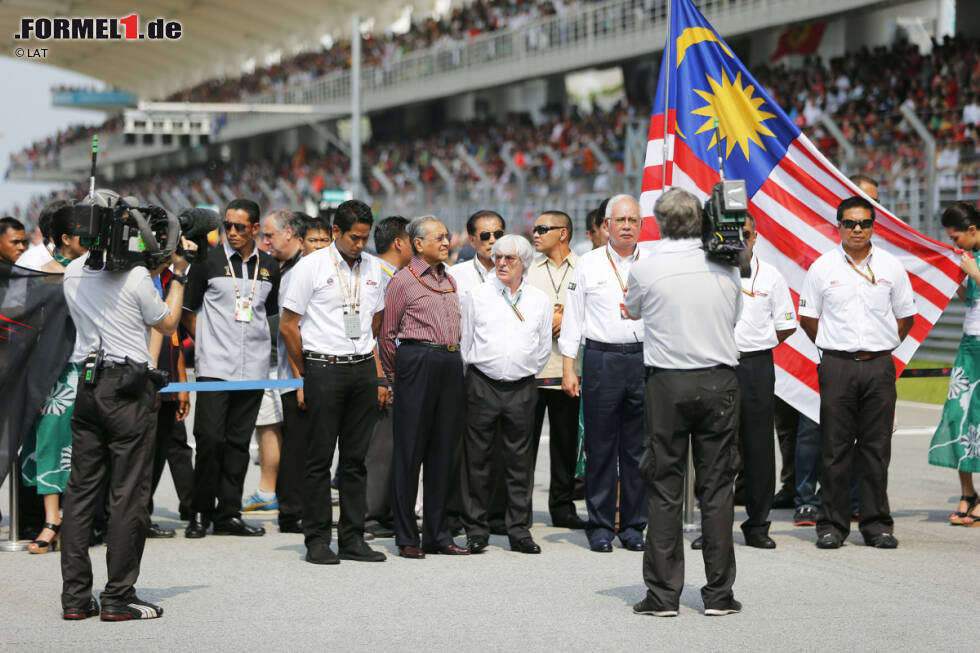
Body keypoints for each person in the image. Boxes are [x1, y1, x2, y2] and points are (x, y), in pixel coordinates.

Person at [60, 190, 195, 621]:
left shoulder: (73, 272)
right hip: (128, 388)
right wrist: (178, 275)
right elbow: (168, 322)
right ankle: (118, 597)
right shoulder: (136, 278)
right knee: (127, 495)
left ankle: (76, 599)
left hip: (87, 385)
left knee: (80, 495)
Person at [624, 188, 743, 618]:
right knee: (717, 490)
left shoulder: (647, 268)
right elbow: (734, 318)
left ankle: (662, 596)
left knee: (664, 487)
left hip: (668, 382)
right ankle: (718, 595)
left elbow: (632, 309)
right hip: (718, 380)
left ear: (658, 222)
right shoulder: (726, 266)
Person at [798, 196, 916, 549]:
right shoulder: (822, 267)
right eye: (850, 223)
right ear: (839, 225)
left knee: (876, 448)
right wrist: (836, 347)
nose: (857, 229)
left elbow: (905, 317)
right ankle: (832, 524)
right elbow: (808, 319)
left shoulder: (892, 267)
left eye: (864, 223)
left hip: (879, 365)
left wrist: (880, 346)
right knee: (834, 448)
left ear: (873, 226)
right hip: (837, 365)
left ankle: (876, 523)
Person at [280, 200, 388, 564]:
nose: (360, 244)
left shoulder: (374, 267)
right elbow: (288, 325)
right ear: (337, 232)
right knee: (319, 458)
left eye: (365, 238)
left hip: (361, 369)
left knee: (356, 460)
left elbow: (376, 319)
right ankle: (317, 539)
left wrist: (368, 361)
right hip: (323, 367)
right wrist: (306, 370)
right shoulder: (311, 266)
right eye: (354, 238)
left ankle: (353, 538)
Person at [181, 198, 280, 538]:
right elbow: (188, 312)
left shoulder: (269, 266)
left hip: (253, 368)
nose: (233, 232)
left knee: (238, 444)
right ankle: (198, 513)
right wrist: (208, 343)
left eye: (240, 227)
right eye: (228, 226)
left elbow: (271, 314)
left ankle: (229, 514)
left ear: (255, 228)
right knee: (209, 439)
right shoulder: (207, 262)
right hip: (215, 368)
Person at [558, 194, 647, 553]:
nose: (626, 226)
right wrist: (569, 368)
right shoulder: (589, 264)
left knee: (638, 449)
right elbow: (573, 319)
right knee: (600, 446)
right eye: (620, 220)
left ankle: (633, 525)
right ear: (606, 225)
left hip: (643, 359)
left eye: (633, 220)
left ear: (641, 225)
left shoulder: (652, 263)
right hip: (600, 359)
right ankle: (599, 524)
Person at [379, 215, 470, 559]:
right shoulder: (403, 280)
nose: (447, 243)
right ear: (418, 244)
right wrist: (394, 377)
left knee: (443, 453)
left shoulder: (450, 280)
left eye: (447, 237)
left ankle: (438, 533)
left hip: (449, 361)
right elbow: (387, 335)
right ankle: (407, 535)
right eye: (440, 238)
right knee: (409, 452)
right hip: (416, 360)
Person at [460, 235, 552, 554]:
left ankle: (519, 530)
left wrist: (522, 369)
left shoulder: (539, 300)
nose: (501, 263)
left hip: (522, 386)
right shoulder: (477, 295)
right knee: (477, 459)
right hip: (482, 382)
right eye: (497, 257)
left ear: (523, 263)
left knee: (520, 461)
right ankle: (476, 529)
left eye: (509, 258)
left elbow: (543, 348)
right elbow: (465, 341)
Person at [20, 203, 88, 553]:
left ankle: (82, 519)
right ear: (64, 238)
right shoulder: (45, 273)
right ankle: (51, 520)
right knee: (50, 441)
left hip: (94, 367)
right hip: (58, 371)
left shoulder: (99, 269)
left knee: (88, 446)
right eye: (82, 233)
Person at [731, 215, 797, 549]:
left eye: (745, 234)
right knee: (715, 449)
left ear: (755, 237)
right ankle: (712, 525)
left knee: (758, 446)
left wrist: (759, 342)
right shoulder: (711, 271)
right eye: (733, 233)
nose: (740, 239)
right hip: (716, 363)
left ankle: (758, 524)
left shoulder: (770, 275)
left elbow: (786, 325)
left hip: (756, 363)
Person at [526, 210, 586, 529]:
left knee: (565, 446)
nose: (535, 234)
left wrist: (573, 323)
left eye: (542, 229)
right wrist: (547, 322)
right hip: (533, 373)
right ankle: (519, 509)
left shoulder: (586, 269)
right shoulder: (528, 271)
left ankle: (562, 508)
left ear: (562, 233)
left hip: (569, 371)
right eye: (535, 229)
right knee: (525, 446)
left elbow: (599, 312)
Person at [256, 209, 308, 533]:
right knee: (295, 444)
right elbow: (289, 330)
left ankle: (295, 509)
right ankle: (291, 512)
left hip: (299, 373)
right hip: (292, 373)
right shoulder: (283, 269)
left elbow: (295, 328)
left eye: (270, 235)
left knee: (300, 445)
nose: (266, 242)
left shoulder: (301, 270)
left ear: (289, 234)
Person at [929, 201, 980, 526]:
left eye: (957, 237)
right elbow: (970, 298)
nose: (954, 243)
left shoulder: (973, 261)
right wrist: (963, 278)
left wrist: (974, 272)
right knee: (960, 415)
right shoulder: (968, 258)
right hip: (969, 346)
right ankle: (967, 492)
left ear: (973, 230)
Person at [364, 216, 412, 539]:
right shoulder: (379, 277)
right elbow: (374, 331)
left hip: (395, 371)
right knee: (380, 448)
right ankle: (371, 515)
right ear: (399, 242)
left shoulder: (392, 275)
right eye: (412, 239)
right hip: (379, 372)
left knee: (393, 446)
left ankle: (387, 511)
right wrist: (381, 375)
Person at [448, 210, 506, 295]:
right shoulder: (455, 274)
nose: (493, 240)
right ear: (472, 240)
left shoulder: (516, 272)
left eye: (498, 234)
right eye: (485, 236)